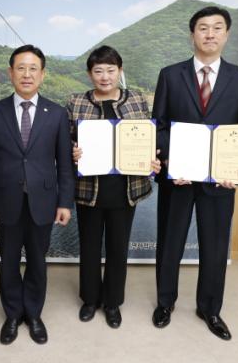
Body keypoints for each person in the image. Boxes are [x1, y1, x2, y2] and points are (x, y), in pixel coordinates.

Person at [151, 6, 238, 340]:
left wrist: (237, 169)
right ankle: (165, 302)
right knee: (170, 242)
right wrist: (172, 162)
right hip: (179, 179)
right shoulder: (170, 75)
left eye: (217, 28)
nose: (209, 34)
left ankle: (210, 309)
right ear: (192, 34)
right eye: (203, 27)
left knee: (215, 246)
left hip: (220, 181)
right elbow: (160, 126)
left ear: (227, 35)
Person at [0, 44, 74, 345]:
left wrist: (65, 202)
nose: (27, 74)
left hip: (43, 202)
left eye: (33, 69)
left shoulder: (57, 114)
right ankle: (12, 314)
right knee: (8, 261)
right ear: (10, 73)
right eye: (21, 68)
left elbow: (64, 164)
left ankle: (33, 314)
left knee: (37, 261)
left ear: (42, 74)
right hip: (5, 201)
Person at [66, 45, 161, 328]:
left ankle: (112, 302)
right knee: (90, 246)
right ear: (89, 74)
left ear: (120, 71)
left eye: (110, 70)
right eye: (98, 71)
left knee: (118, 248)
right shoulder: (76, 102)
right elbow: (65, 139)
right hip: (89, 188)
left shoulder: (137, 99)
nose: (105, 77)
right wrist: (72, 150)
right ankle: (90, 299)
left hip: (125, 188)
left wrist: (152, 160)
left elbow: (148, 138)